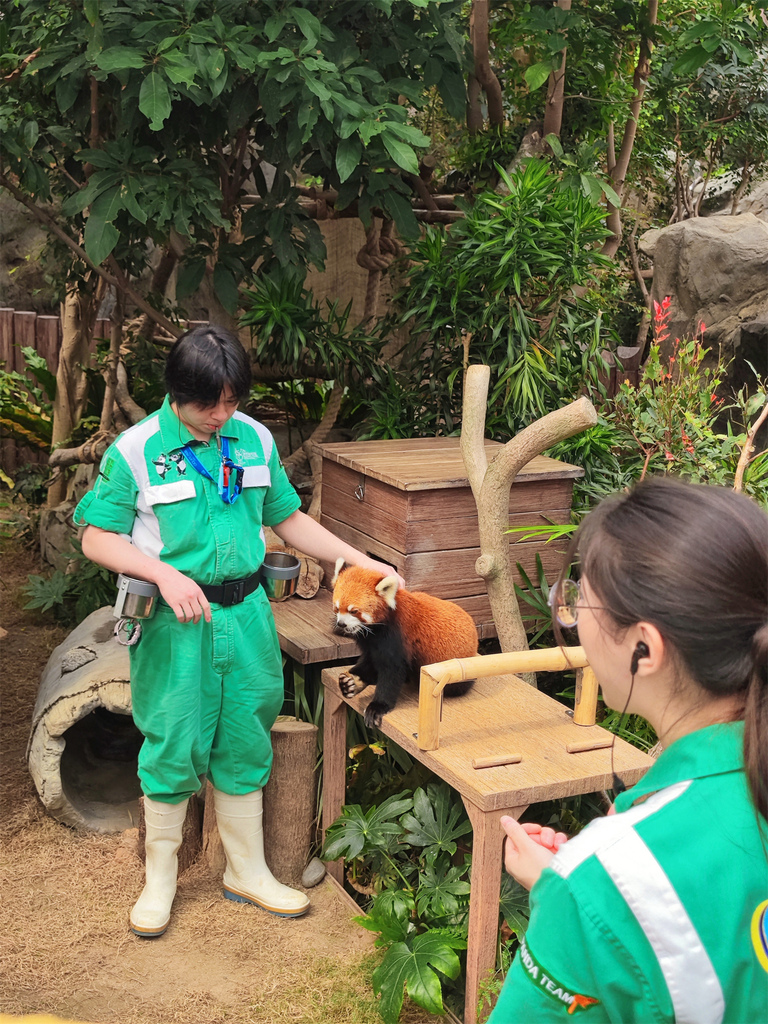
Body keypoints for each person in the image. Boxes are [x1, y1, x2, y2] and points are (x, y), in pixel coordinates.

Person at [74, 323, 403, 938]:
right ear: (176, 393)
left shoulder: (251, 438)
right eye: (209, 404)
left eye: (232, 400)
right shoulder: (137, 449)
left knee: (247, 731)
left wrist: (354, 561)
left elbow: (288, 517)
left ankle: (245, 870)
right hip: (176, 621)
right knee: (171, 737)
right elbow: (96, 535)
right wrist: (161, 575)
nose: (222, 415)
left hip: (248, 614)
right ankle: (161, 877)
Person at [489, 477, 768, 1023]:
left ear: (644, 648)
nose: (574, 622)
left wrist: (584, 896)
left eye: (581, 604)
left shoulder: (598, 885)